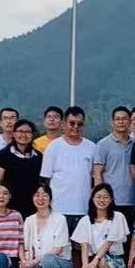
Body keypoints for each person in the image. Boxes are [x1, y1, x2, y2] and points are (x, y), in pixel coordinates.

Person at [39, 105, 98, 256]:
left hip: (83, 209)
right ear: (64, 124)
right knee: (58, 249)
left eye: (80, 124)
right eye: (72, 123)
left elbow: (95, 178)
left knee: (81, 250)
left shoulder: (91, 147)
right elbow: (45, 180)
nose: (75, 127)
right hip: (58, 208)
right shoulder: (53, 147)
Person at [72, 184, 130, 268]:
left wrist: (95, 261)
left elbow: (109, 242)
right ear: (93, 198)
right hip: (94, 262)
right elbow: (84, 245)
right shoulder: (85, 220)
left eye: (105, 197)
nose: (102, 200)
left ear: (111, 199)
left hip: (114, 263)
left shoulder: (118, 217)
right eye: (98, 196)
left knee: (101, 260)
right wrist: (85, 267)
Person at [17, 184, 72, 268]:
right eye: (37, 195)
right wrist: (25, 262)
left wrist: (33, 261)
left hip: (60, 263)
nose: (40, 198)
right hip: (39, 265)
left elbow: (58, 250)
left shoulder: (60, 219)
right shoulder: (29, 220)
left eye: (44, 195)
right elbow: (26, 247)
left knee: (48, 259)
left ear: (50, 198)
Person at [94, 106, 135, 235]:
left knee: (130, 237)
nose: (121, 122)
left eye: (124, 119)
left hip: (133, 200)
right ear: (112, 122)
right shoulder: (103, 144)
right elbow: (97, 172)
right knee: (111, 237)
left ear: (130, 122)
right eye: (117, 119)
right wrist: (100, 198)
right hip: (111, 201)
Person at [0, 118, 43, 218]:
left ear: (32, 134)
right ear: (14, 134)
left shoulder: (38, 156)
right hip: (10, 204)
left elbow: (42, 180)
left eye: (28, 132)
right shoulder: (4, 154)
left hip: (33, 204)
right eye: (20, 131)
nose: (24, 135)